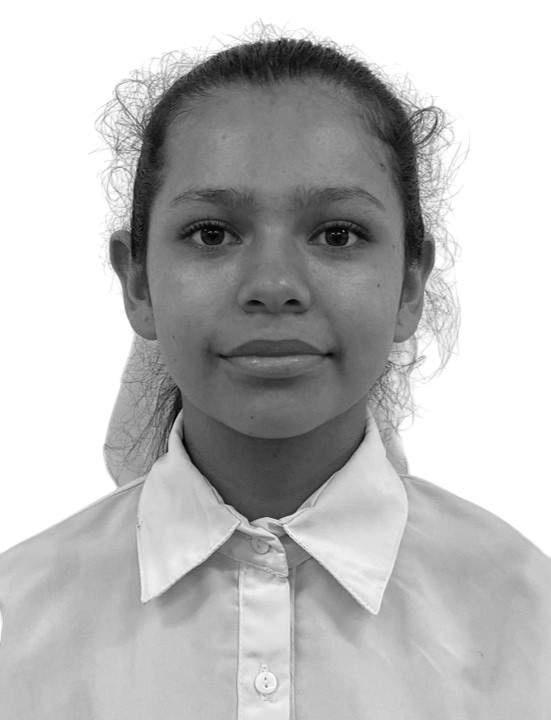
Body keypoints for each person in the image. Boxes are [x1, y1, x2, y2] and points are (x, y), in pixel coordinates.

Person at [0, 24, 549, 719]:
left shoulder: (528, 621)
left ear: (411, 283)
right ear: (137, 282)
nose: (273, 285)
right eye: (212, 233)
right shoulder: (17, 622)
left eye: (337, 234)